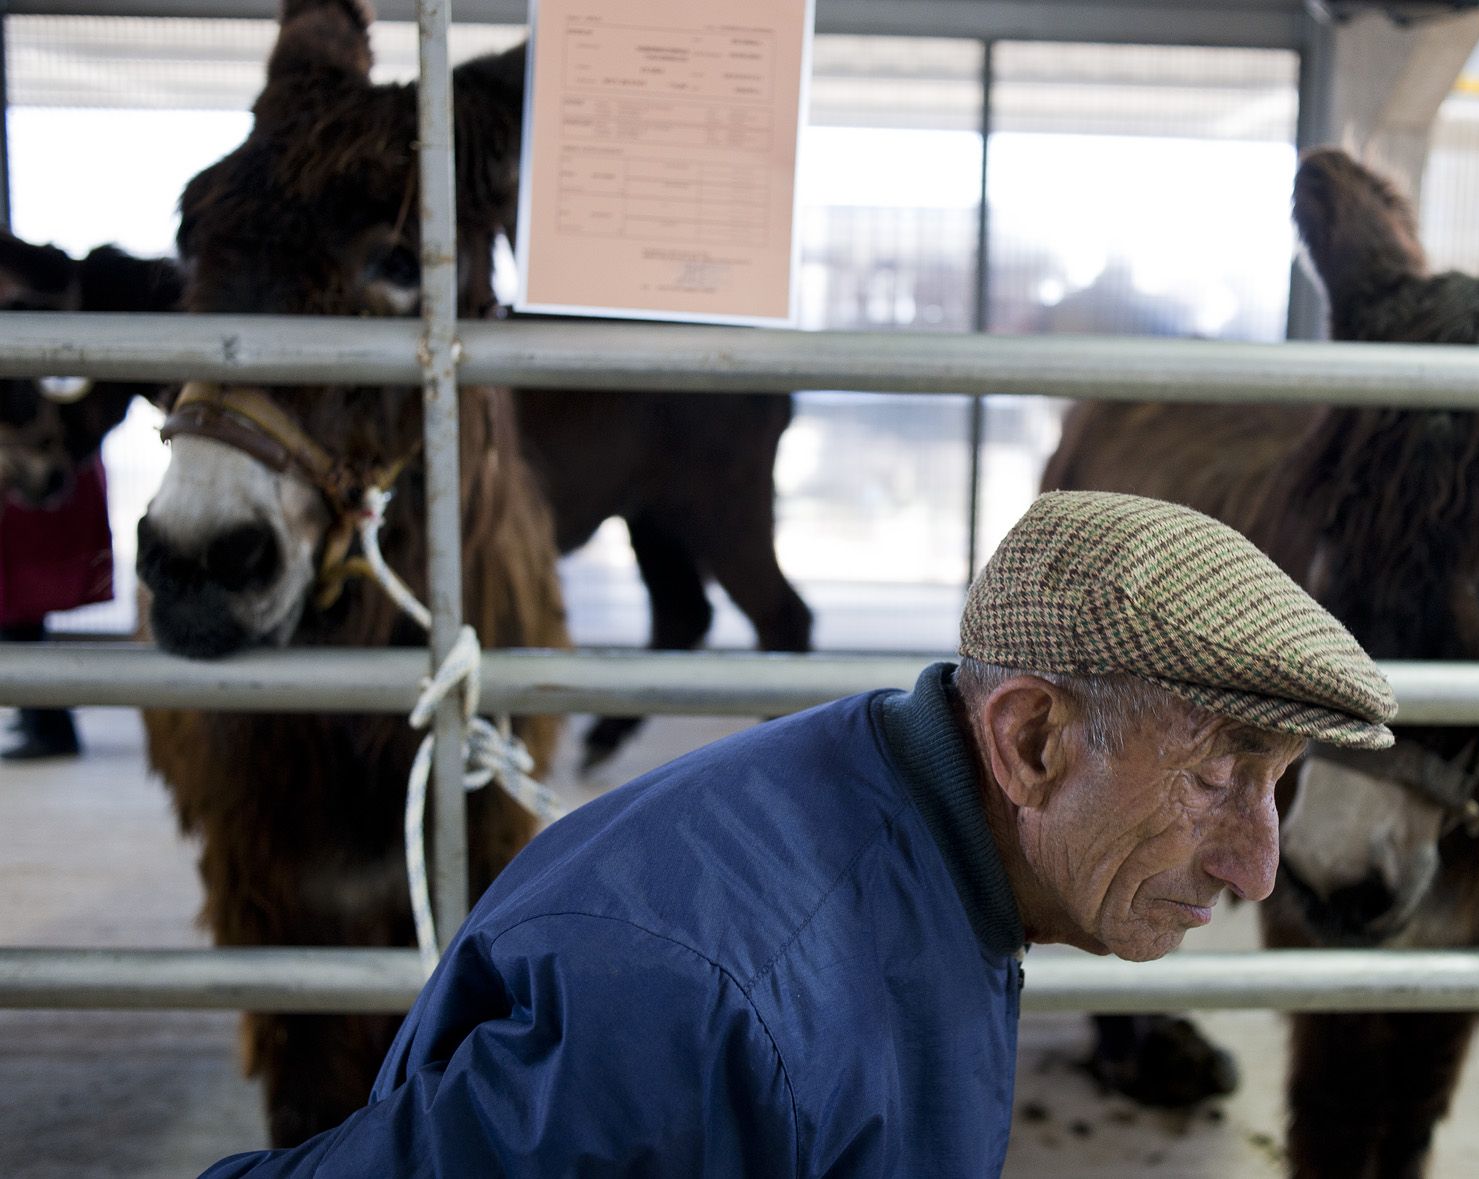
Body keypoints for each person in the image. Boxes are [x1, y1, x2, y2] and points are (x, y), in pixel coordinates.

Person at [200, 490, 1396, 1177]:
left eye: (1274, 785)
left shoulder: (932, 835)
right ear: (1031, 740)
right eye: (1215, 779)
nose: (1256, 865)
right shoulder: (701, 1007)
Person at [0, 453, 114, 761]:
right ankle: (36, 718)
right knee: (18, 615)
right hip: (35, 497)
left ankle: (49, 728)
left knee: (19, 613)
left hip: (36, 498)